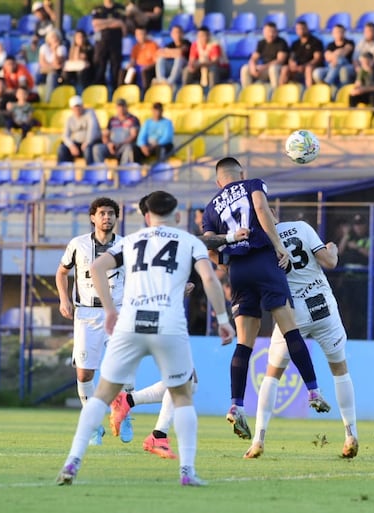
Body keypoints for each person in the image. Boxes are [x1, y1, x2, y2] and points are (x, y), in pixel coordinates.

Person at [56, 190, 235, 486]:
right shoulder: (188, 241)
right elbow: (209, 279)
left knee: (101, 395)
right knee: (184, 392)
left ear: (145, 216)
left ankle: (72, 462)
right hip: (168, 324)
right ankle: (187, 472)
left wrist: (111, 310)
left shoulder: (130, 241)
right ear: (177, 217)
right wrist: (224, 320)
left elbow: (97, 267)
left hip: (130, 322)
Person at [202, 157, 330, 440]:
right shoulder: (253, 184)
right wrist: (277, 245)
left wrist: (226, 262)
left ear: (218, 181)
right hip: (263, 262)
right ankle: (313, 391)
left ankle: (236, 405)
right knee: (289, 328)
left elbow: (210, 245)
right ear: (241, 173)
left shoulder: (211, 207)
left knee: (244, 344)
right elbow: (261, 209)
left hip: (238, 270)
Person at [243, 215, 359, 459]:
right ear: (271, 213)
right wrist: (333, 249)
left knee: (272, 375)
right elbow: (329, 262)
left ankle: (258, 440)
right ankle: (350, 435)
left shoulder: (259, 243)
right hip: (323, 306)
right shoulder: (301, 227)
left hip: (292, 312)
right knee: (340, 370)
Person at [55, 197, 124, 447]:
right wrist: (64, 299)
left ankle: (124, 413)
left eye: (111, 213)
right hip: (86, 314)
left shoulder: (125, 246)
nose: (106, 217)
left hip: (118, 313)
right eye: (102, 213)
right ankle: (94, 425)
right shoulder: (78, 245)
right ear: (93, 218)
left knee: (121, 366)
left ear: (117, 218)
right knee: (84, 372)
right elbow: (62, 272)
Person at [240, 21, 289, 89]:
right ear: (264, 32)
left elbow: (280, 60)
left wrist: (264, 67)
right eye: (269, 32)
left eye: (273, 32)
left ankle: (274, 93)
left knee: (273, 69)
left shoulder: (281, 42)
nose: (271, 34)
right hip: (264, 69)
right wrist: (253, 67)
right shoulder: (261, 43)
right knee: (245, 69)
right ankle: (247, 93)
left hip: (277, 69)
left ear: (277, 32)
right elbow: (253, 58)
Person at [57, 95, 103, 165]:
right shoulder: (70, 119)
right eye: (75, 107)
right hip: (77, 144)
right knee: (62, 149)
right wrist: (71, 146)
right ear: (72, 109)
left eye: (79, 106)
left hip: (90, 143)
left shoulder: (90, 113)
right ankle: (64, 171)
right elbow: (65, 136)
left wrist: (87, 142)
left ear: (82, 106)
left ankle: (90, 172)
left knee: (88, 150)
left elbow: (93, 129)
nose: (77, 109)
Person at [91, 0, 126, 91]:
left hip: (116, 43)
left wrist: (104, 24)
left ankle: (115, 92)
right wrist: (113, 22)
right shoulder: (97, 9)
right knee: (100, 68)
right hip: (101, 44)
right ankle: (99, 92)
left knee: (115, 68)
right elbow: (95, 24)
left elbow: (122, 24)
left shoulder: (120, 8)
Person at [93, 98, 140, 164]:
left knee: (128, 148)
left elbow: (133, 135)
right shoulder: (112, 119)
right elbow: (105, 135)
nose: (120, 109)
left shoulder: (133, 119)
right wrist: (109, 144)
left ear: (126, 107)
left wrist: (120, 144)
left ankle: (123, 171)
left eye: (122, 106)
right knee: (97, 148)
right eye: (118, 107)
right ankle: (100, 171)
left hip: (124, 145)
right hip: (112, 145)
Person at [279, 20, 323, 87]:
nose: (300, 31)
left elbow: (317, 58)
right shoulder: (295, 44)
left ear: (307, 29)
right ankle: (281, 92)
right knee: (285, 68)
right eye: (298, 29)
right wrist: (292, 64)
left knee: (308, 69)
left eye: (302, 28)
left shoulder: (316, 42)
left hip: (310, 66)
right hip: (298, 67)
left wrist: (304, 66)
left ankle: (309, 92)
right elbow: (291, 58)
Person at [38, 29, 68, 102]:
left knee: (51, 76)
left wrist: (55, 50)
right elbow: (42, 63)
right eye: (52, 37)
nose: (54, 39)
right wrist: (52, 67)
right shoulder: (43, 47)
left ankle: (48, 101)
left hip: (58, 73)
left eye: (55, 37)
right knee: (36, 75)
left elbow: (58, 64)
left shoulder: (62, 48)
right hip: (45, 71)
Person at [62, 30, 94, 94]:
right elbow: (72, 60)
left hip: (86, 71)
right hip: (74, 71)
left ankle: (81, 94)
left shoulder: (89, 48)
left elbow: (80, 59)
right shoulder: (73, 48)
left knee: (81, 74)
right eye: (78, 37)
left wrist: (78, 49)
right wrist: (76, 48)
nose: (80, 39)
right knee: (66, 74)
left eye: (81, 37)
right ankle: (67, 93)